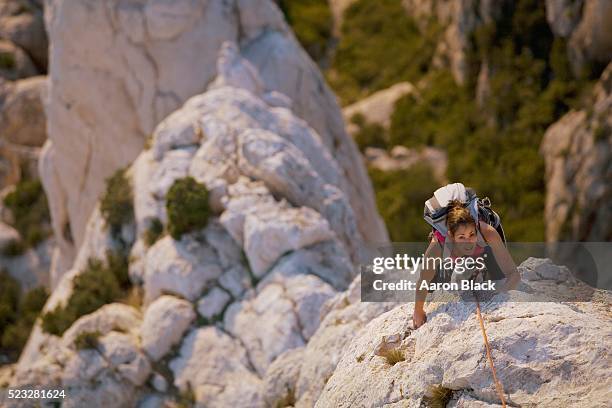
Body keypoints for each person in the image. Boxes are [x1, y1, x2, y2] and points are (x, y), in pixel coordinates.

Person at [412, 199, 520, 329]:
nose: (468, 241)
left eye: (471, 234)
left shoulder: (487, 232)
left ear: (476, 228)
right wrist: (418, 311)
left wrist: (501, 294)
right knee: (436, 281)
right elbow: (424, 279)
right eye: (461, 237)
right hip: (454, 260)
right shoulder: (438, 245)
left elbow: (513, 274)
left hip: (485, 253)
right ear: (451, 236)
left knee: (498, 276)